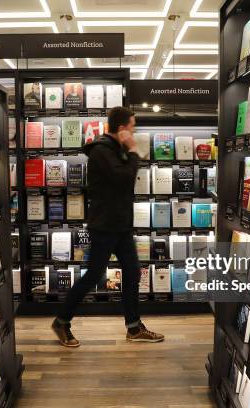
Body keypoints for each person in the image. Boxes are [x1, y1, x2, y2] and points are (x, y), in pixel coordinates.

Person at [52, 106, 164, 347]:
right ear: (122, 128)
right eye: (132, 127)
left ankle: (133, 328)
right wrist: (133, 151)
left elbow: (123, 181)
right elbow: (124, 180)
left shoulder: (115, 150)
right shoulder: (102, 152)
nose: (134, 132)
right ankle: (61, 321)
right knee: (93, 275)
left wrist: (128, 152)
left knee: (133, 273)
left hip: (121, 226)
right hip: (105, 226)